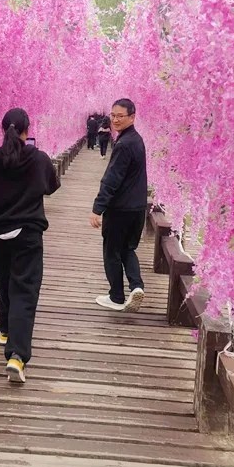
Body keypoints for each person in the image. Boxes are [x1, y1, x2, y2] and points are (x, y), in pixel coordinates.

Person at [0, 108, 60, 384]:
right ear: (27, 130)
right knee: (24, 293)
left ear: (3, 129)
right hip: (28, 234)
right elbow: (51, 186)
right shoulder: (38, 159)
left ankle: (5, 329)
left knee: (4, 282)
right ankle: (16, 356)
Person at [89, 98, 147, 312]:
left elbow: (112, 178)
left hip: (121, 209)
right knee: (128, 249)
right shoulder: (137, 140)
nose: (115, 119)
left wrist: (98, 208)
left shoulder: (124, 144)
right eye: (113, 115)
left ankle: (116, 296)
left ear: (132, 117)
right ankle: (136, 287)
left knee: (112, 251)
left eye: (120, 116)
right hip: (137, 208)